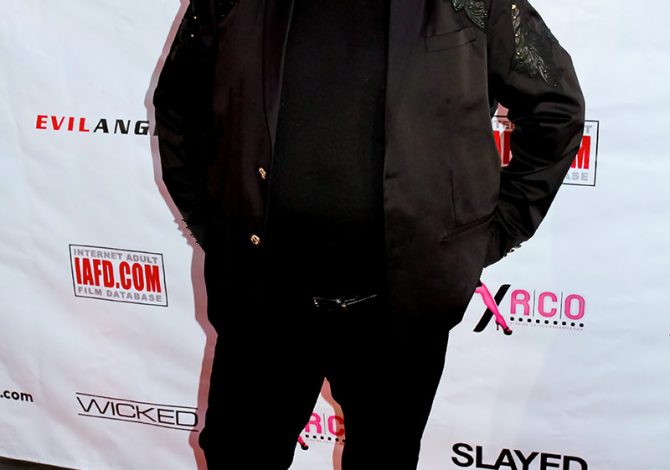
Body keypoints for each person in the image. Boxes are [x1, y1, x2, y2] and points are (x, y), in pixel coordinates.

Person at [152, 0, 585, 468]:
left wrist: (495, 231)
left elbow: (555, 108)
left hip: (399, 314)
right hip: (262, 303)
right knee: (238, 456)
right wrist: (218, 225)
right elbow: (179, 106)